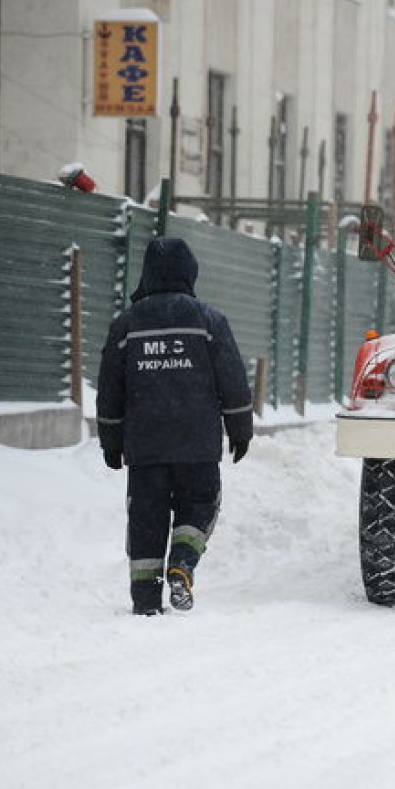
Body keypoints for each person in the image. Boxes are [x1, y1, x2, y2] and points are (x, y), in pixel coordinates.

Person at [96, 238, 253, 616]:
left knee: (146, 518)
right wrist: (240, 428)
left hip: (145, 446)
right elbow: (231, 378)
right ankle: (182, 562)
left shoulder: (127, 324)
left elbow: (109, 387)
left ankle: (145, 601)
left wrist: (110, 438)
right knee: (200, 504)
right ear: (189, 272)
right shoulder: (208, 320)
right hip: (196, 444)